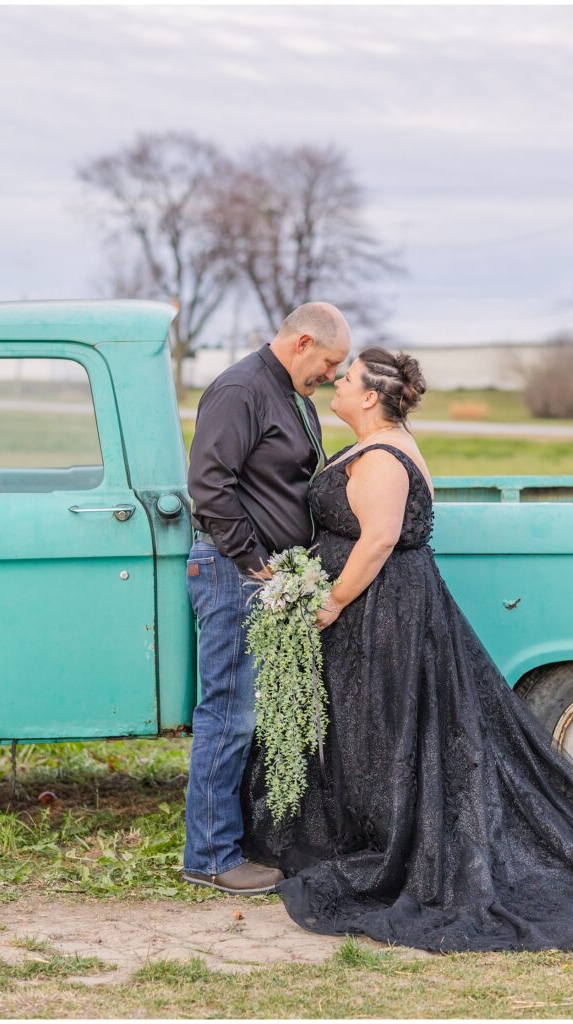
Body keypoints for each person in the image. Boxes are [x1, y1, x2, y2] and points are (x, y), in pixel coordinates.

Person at [241, 347, 573, 951]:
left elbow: (376, 541)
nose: (337, 384)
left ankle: (391, 844)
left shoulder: (382, 457)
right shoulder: (376, 443)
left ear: (371, 396)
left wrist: (331, 602)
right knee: (370, 726)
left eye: (347, 379)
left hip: (382, 611)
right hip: (379, 607)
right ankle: (355, 830)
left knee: (386, 727)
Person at [182, 302, 352, 895]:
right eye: (329, 362)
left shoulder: (292, 395)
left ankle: (239, 841)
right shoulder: (239, 390)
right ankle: (208, 856)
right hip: (236, 572)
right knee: (229, 715)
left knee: (252, 717)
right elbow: (209, 486)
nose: (331, 376)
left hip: (267, 577)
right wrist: (256, 563)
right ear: (303, 342)